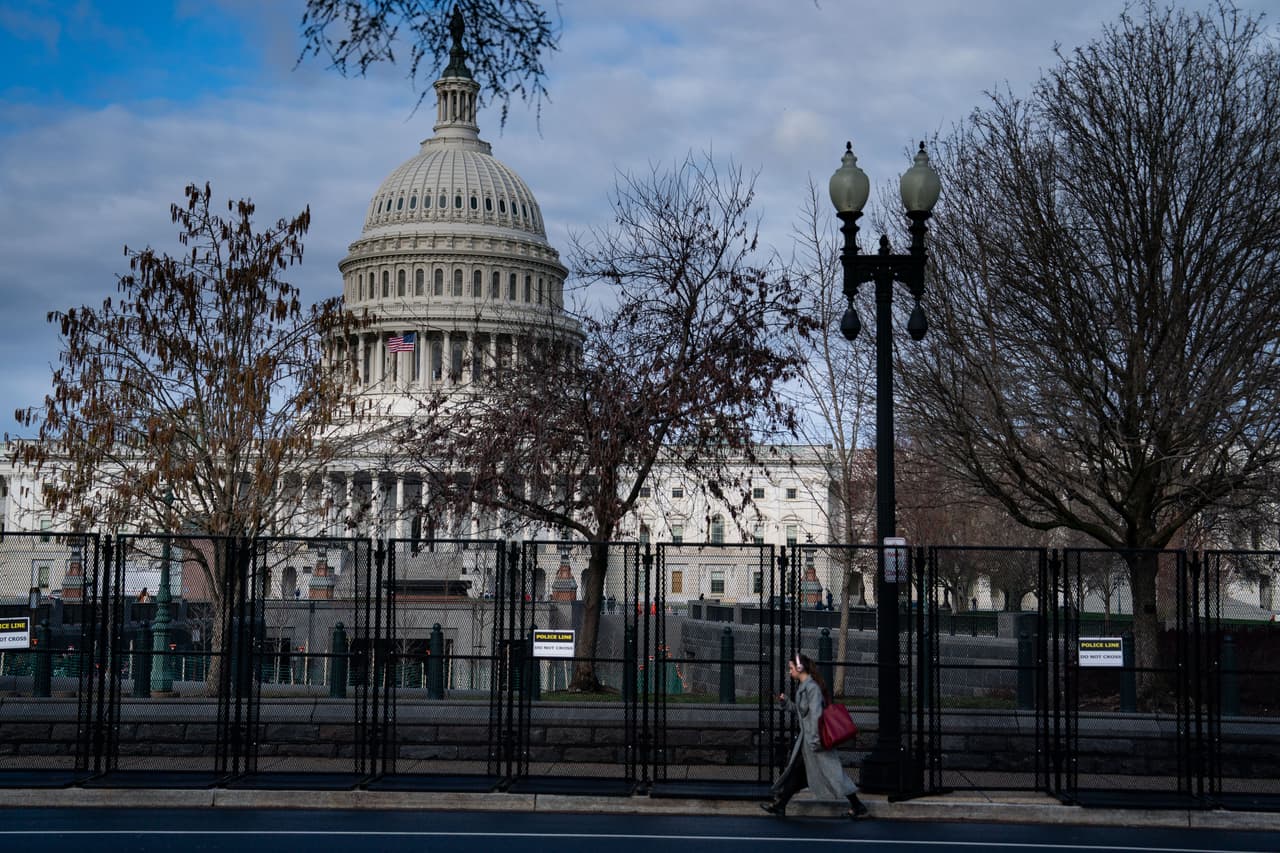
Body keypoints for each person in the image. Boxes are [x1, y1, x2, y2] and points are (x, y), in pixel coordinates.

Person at [762, 652, 869, 819]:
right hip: (809, 743)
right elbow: (802, 713)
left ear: (799, 668)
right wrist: (785, 702)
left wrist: (816, 740)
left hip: (816, 742)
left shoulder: (811, 688)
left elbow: (817, 716)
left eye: (791, 668)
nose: (789, 672)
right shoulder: (805, 688)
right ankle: (781, 805)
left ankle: (857, 805)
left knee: (834, 774)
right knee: (799, 773)